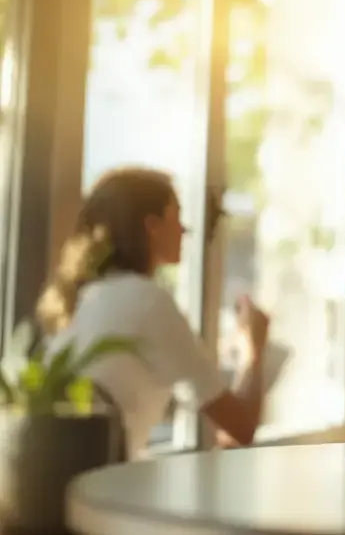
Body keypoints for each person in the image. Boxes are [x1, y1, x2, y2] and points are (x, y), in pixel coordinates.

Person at [39, 167, 270, 459]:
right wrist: (254, 347)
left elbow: (224, 431)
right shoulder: (146, 300)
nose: (185, 230)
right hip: (98, 488)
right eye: (176, 215)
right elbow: (242, 426)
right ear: (152, 226)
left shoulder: (85, 297)